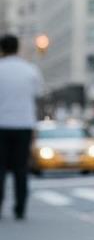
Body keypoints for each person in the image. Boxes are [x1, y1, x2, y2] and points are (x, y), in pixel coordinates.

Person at [0, 34, 44, 221]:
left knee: (0, 169)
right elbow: (39, 93)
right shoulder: (30, 70)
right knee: (21, 169)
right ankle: (20, 208)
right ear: (18, 48)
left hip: (1, 125)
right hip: (24, 124)